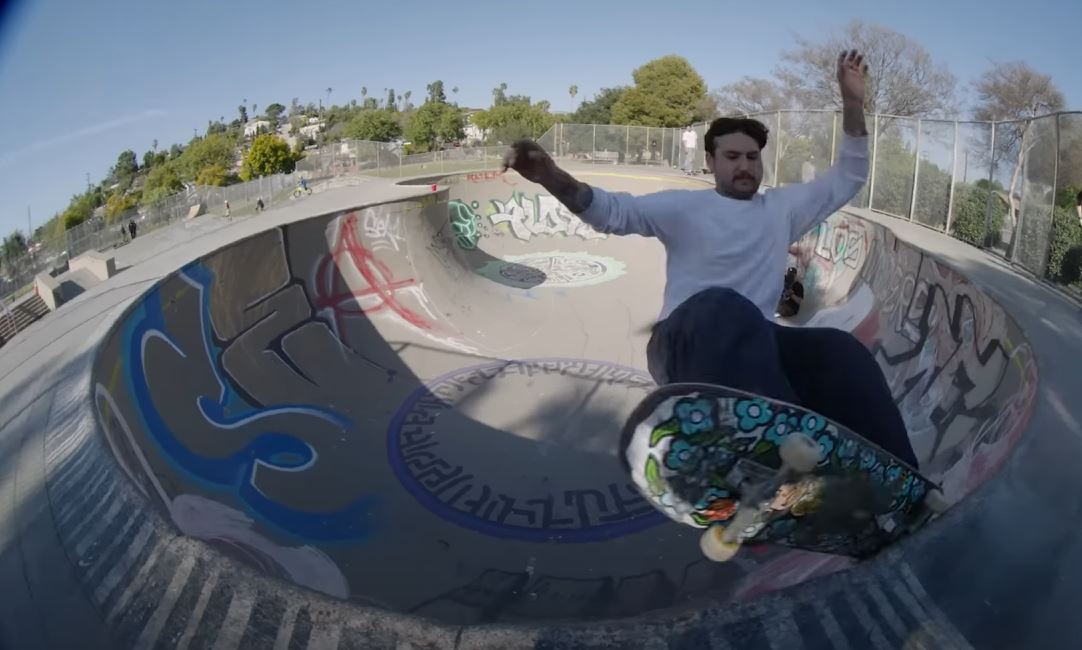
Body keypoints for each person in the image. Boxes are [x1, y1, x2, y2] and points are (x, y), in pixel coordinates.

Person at [501, 50, 917, 467]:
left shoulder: (782, 209)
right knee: (724, 305)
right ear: (710, 162)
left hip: (756, 349)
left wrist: (853, 104)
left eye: (752, 158)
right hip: (683, 345)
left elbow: (850, 175)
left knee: (839, 349)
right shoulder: (683, 208)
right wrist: (549, 175)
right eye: (732, 157)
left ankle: (898, 479)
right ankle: (783, 457)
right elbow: (610, 212)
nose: (744, 167)